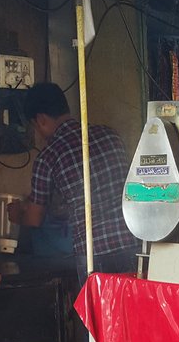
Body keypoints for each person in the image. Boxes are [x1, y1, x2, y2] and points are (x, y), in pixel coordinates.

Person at [9, 83, 138, 285]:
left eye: (35, 127)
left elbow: (34, 219)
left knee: (98, 305)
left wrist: (17, 215)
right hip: (131, 240)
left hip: (94, 252)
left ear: (41, 120)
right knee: (133, 302)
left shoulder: (48, 156)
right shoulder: (110, 135)